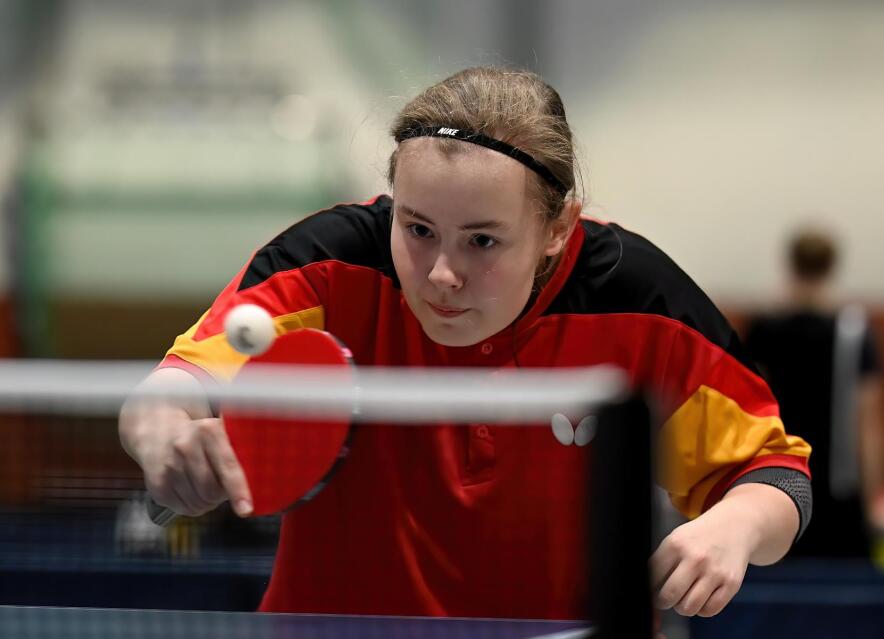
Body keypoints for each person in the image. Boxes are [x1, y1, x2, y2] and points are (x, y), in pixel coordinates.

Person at [119, 67, 811, 620]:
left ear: (558, 228)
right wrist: (165, 438)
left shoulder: (640, 301)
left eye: (482, 240)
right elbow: (168, 393)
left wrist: (734, 530)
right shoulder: (328, 268)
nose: (442, 274)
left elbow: (776, 476)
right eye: (417, 229)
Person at [744, 228, 884, 557]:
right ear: (831, 268)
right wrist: (875, 498)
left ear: (790, 265)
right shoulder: (855, 332)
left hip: (777, 484)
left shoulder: (764, 329)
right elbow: (870, 424)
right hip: (839, 492)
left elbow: (748, 410)